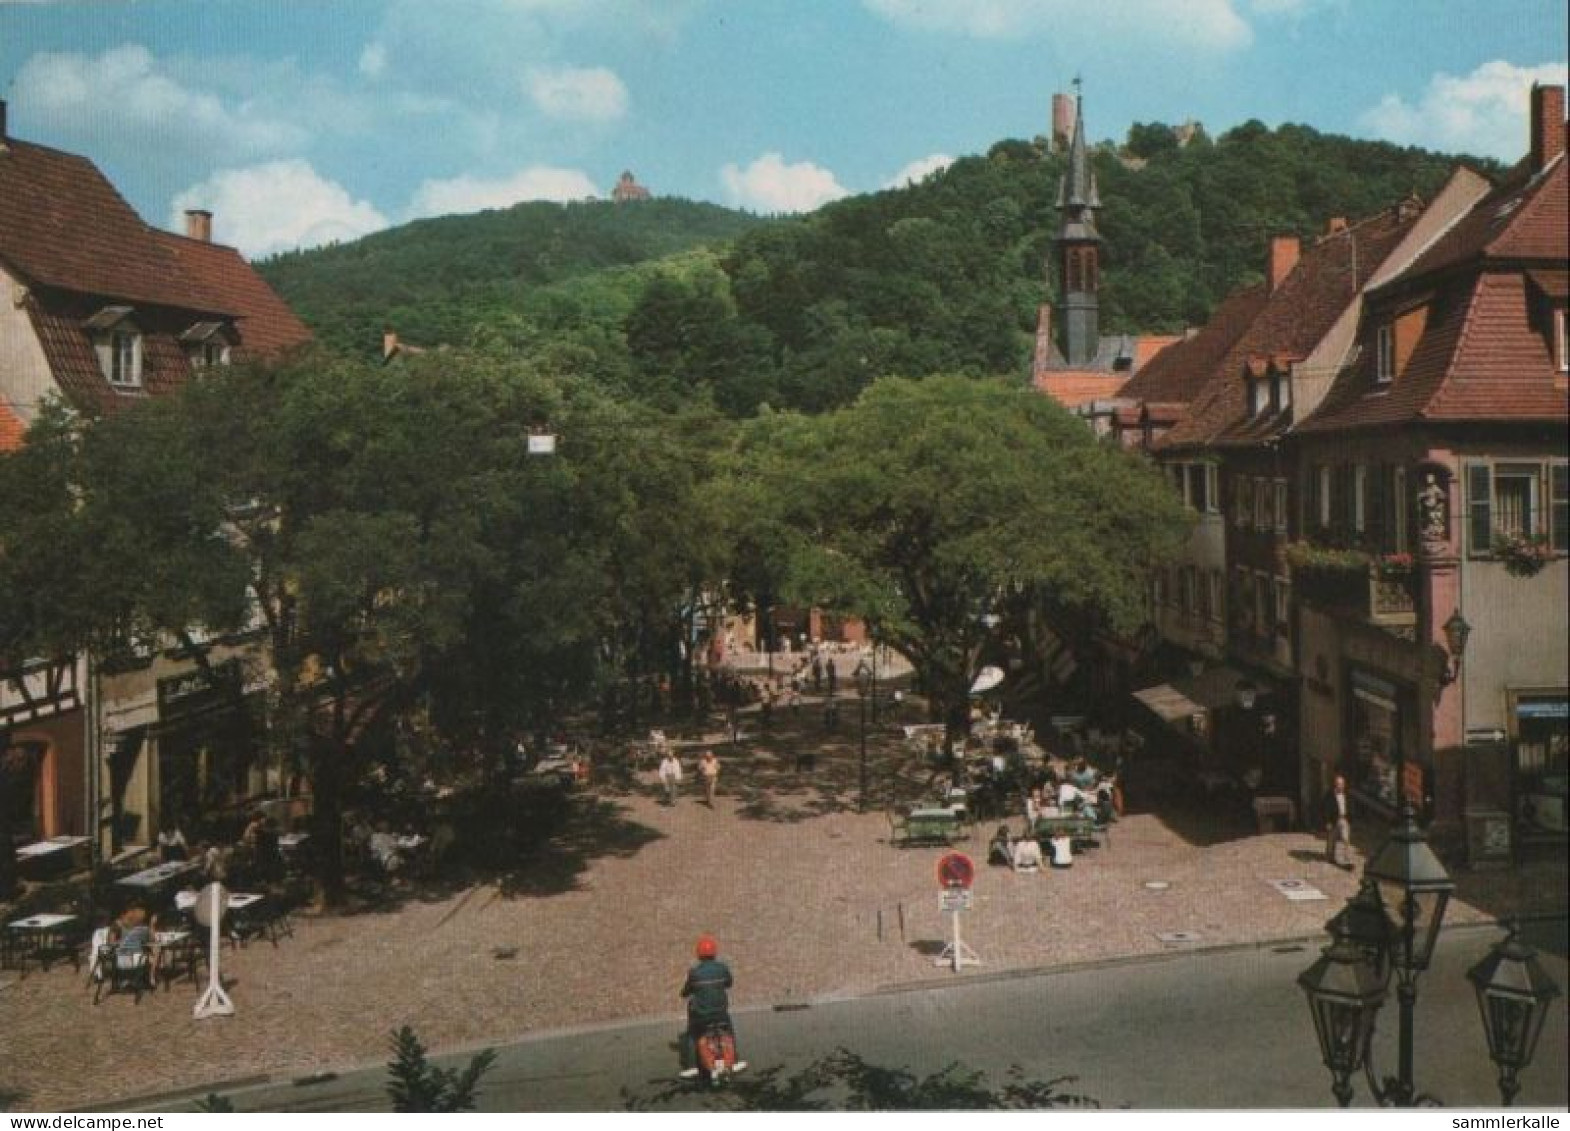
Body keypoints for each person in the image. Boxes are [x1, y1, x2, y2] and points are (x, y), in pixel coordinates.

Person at [678, 934, 745, 1078]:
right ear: (715, 952)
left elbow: (686, 991)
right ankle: (734, 1060)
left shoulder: (694, 972)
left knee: (692, 1033)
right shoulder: (722, 968)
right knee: (729, 1030)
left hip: (701, 1015)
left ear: (698, 953)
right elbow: (729, 983)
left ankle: (691, 1065)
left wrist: (684, 993)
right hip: (720, 1012)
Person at [1322, 774, 1354, 869]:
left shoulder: (1347, 794)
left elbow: (1350, 806)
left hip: (1344, 819)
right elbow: (1326, 809)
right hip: (1334, 819)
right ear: (1335, 785)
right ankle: (1330, 856)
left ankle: (1345, 858)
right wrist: (1327, 821)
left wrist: (1350, 819)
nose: (1340, 786)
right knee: (1332, 839)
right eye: (1338, 784)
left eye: (1342, 784)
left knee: (1345, 839)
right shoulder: (1329, 795)